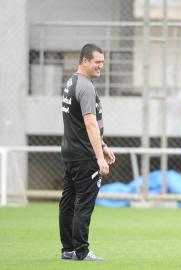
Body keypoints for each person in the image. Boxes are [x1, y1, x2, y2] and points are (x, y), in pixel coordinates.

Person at [59, 44, 116, 261]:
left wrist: (103, 145)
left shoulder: (71, 82)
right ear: (84, 60)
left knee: (68, 202)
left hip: (71, 153)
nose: (101, 66)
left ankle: (68, 249)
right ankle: (81, 251)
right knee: (83, 203)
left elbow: (79, 124)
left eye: (103, 62)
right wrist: (99, 157)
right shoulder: (86, 87)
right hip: (84, 156)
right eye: (97, 62)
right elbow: (90, 123)